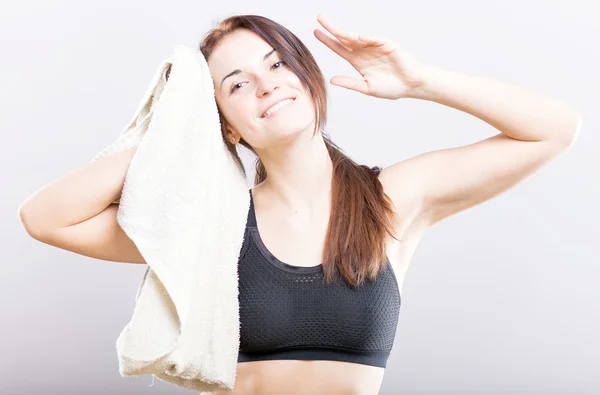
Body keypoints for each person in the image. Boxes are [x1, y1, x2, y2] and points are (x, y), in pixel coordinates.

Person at [18, 13, 581, 395]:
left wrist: (421, 81)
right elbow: (44, 217)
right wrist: (171, 127)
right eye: (235, 85)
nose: (265, 85)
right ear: (226, 128)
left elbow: (553, 130)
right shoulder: (213, 224)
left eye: (277, 64)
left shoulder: (392, 199)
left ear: (308, 79)